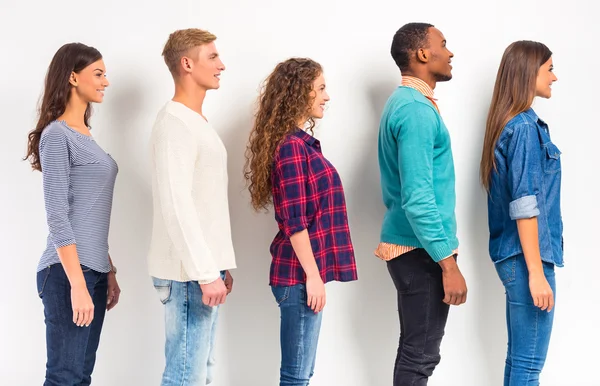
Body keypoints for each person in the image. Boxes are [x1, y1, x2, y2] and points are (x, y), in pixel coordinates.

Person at [244, 57, 358, 386]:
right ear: (299, 92)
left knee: (302, 374)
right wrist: (313, 277)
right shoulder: (292, 149)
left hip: (301, 276)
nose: (327, 96)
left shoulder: (299, 145)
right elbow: (294, 222)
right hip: (298, 277)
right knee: (295, 377)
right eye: (320, 88)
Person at [375, 23, 467, 385]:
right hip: (422, 251)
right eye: (443, 44)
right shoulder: (414, 110)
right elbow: (417, 199)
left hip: (417, 248)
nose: (450, 52)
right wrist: (447, 263)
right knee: (421, 356)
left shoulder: (411, 104)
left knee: (416, 351)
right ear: (423, 54)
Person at [25, 42, 120, 386]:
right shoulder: (56, 135)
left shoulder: (87, 138)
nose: (105, 81)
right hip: (67, 273)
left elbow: (88, 211)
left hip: (92, 271)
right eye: (98, 74)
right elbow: (58, 214)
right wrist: (78, 283)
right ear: (72, 77)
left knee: (80, 377)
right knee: (64, 377)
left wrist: (106, 268)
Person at [147, 28, 237, 386]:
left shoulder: (195, 123)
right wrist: (205, 271)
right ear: (187, 63)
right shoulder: (174, 123)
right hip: (188, 276)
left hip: (200, 271)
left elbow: (204, 202)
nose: (222, 65)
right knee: (185, 377)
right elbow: (176, 204)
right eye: (212, 57)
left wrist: (220, 264)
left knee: (200, 375)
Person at [480, 40, 561, 386]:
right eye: (550, 69)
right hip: (528, 258)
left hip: (512, 256)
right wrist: (536, 273)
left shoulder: (510, 124)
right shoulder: (525, 128)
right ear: (530, 72)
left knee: (519, 362)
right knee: (528, 367)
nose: (555, 77)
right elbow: (525, 206)